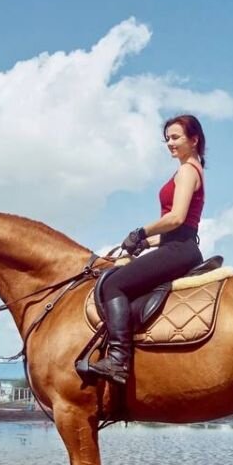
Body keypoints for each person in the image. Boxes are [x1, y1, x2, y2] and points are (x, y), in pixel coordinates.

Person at [90, 114, 207, 384]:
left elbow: (176, 218)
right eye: (167, 138)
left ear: (194, 139)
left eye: (176, 137)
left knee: (113, 285)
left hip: (180, 249)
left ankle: (118, 360)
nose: (170, 143)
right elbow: (179, 228)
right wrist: (145, 242)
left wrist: (140, 231)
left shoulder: (188, 170)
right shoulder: (189, 168)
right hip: (178, 244)